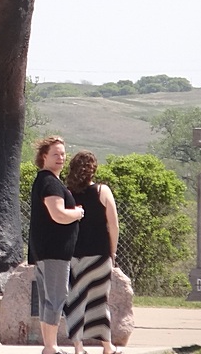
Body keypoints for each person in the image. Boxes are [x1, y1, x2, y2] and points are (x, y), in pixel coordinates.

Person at [29, 135, 85, 354]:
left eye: (62, 154)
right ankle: (51, 346)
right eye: (55, 154)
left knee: (47, 299)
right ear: (44, 157)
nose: (60, 158)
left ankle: (49, 345)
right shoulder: (50, 183)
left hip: (45, 250)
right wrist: (77, 213)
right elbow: (58, 214)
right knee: (56, 297)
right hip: (54, 251)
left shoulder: (44, 180)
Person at [65, 150, 123, 354]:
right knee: (99, 301)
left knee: (75, 301)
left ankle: (78, 347)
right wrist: (113, 252)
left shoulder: (67, 193)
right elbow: (113, 225)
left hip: (74, 255)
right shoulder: (102, 191)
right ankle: (107, 346)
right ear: (93, 170)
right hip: (99, 255)